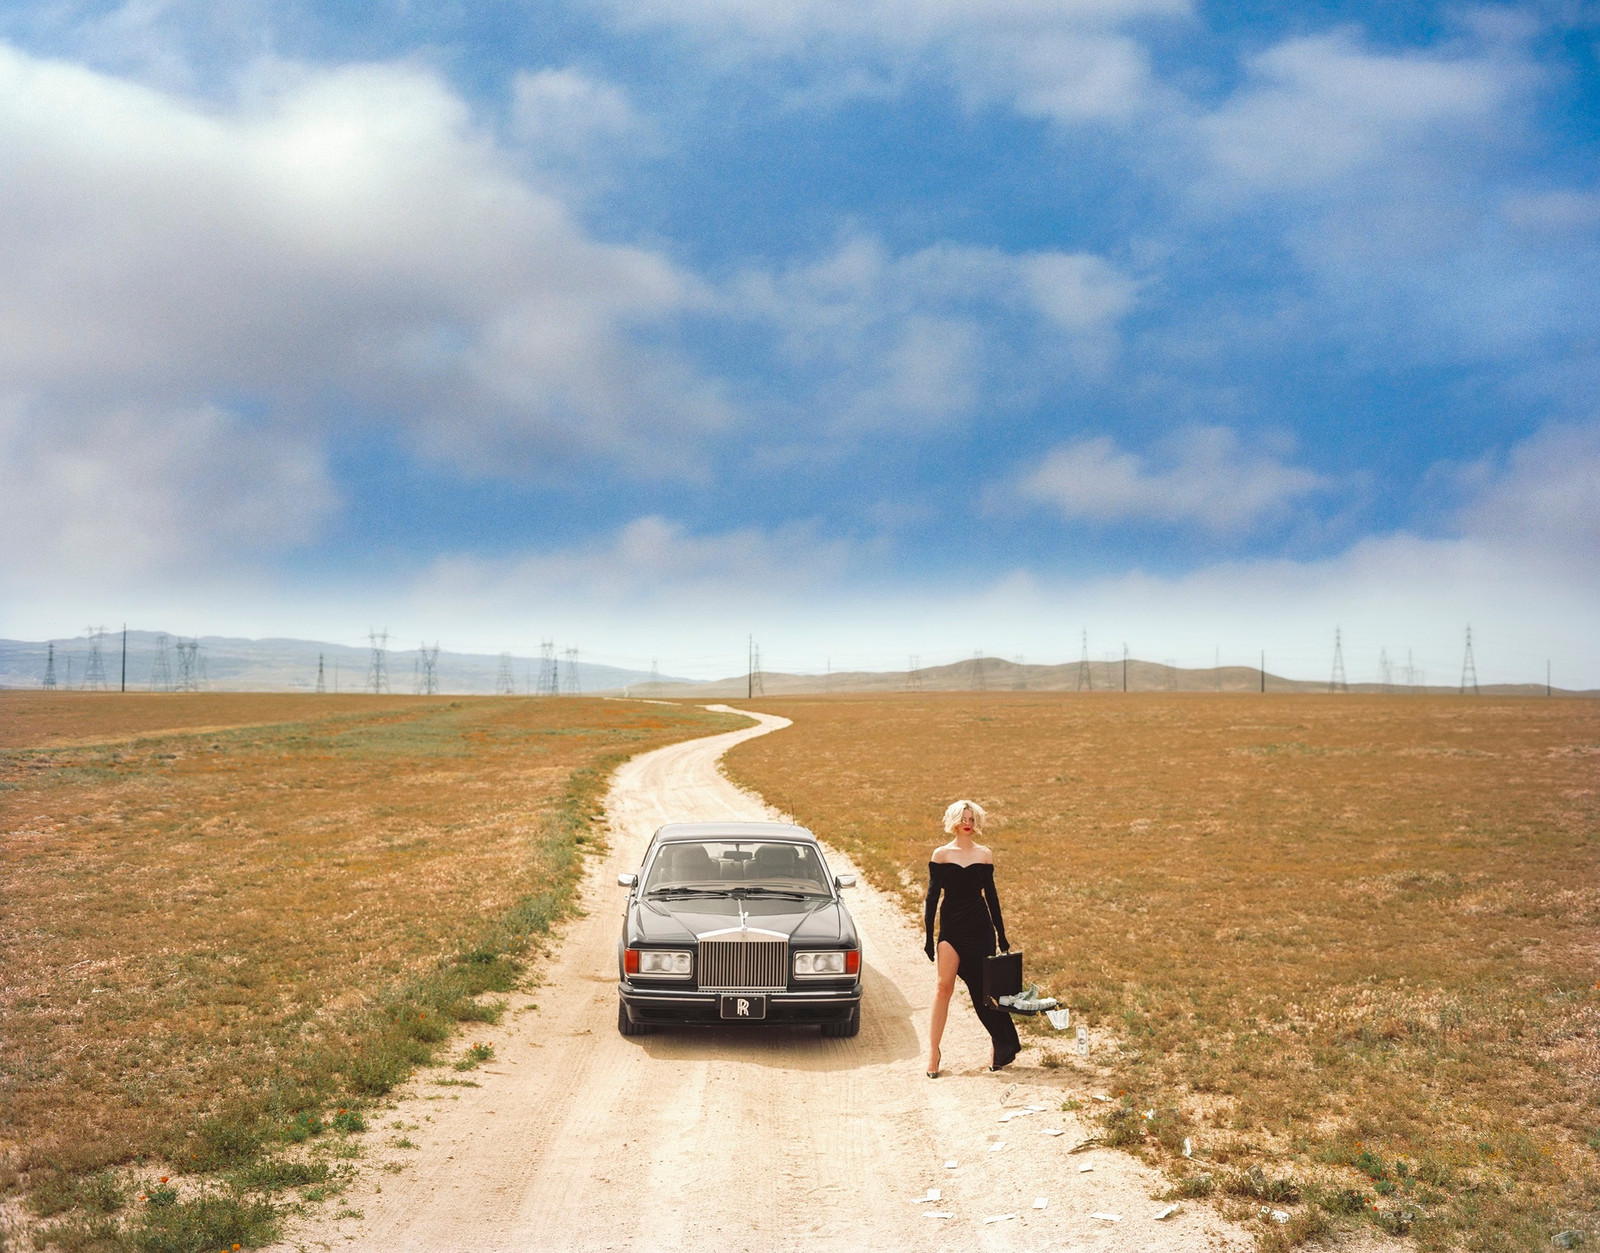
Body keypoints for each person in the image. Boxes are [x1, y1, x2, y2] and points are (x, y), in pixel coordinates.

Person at [923, 799, 1020, 1076]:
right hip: (951, 929)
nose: (968, 824)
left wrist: (1001, 935)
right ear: (954, 820)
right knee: (943, 988)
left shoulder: (984, 854)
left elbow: (992, 898)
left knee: (986, 993)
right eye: (964, 818)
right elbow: (932, 898)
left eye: (972, 819)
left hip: (981, 929)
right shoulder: (941, 854)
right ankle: (934, 1051)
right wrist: (929, 937)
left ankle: (999, 1046)